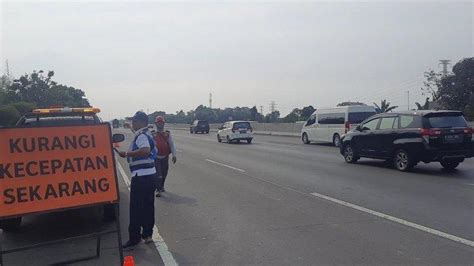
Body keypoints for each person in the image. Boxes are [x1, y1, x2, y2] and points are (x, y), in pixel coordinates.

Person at [118, 111, 158, 248]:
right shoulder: (146, 133)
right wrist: (129, 126)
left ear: (141, 122)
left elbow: (145, 150)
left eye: (134, 121)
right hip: (150, 175)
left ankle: (134, 237)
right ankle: (147, 235)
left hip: (141, 177)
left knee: (136, 208)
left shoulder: (141, 136)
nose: (133, 124)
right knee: (148, 207)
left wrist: (127, 153)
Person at [153, 116, 177, 197]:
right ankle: (158, 189)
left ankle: (161, 186)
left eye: (162, 123)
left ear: (164, 124)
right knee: (158, 174)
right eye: (158, 123)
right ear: (156, 124)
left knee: (164, 174)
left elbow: (172, 145)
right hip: (156, 157)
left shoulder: (167, 134)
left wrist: (174, 155)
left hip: (165, 157)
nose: (160, 124)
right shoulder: (153, 134)